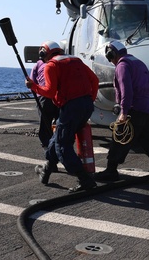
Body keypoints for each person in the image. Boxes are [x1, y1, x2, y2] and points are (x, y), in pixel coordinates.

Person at [95, 41, 149, 187]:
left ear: (111, 54)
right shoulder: (138, 62)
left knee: (119, 139)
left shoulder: (122, 66)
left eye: (109, 57)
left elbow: (126, 91)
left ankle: (111, 171)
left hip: (135, 110)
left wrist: (123, 112)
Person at [26, 43, 99, 192]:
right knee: (59, 136)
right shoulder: (76, 60)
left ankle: (84, 179)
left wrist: (33, 86)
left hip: (71, 108)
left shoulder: (51, 66)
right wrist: (89, 99)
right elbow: (95, 80)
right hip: (86, 106)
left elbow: (49, 92)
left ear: (43, 53)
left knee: (62, 144)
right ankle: (47, 168)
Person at [30, 42, 62, 148]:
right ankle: (58, 143)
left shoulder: (39, 65)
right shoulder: (63, 63)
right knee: (61, 124)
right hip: (61, 98)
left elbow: (31, 83)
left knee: (45, 126)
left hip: (45, 98)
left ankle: (48, 148)